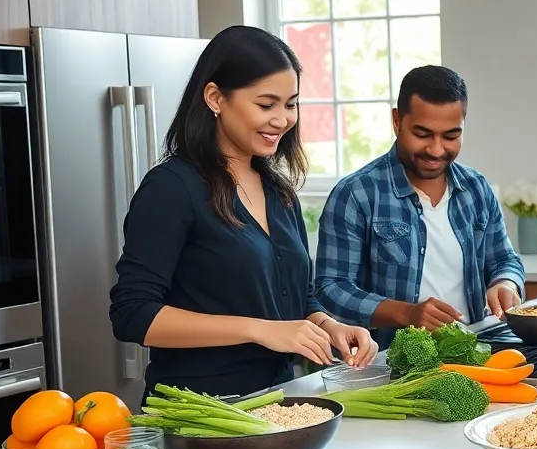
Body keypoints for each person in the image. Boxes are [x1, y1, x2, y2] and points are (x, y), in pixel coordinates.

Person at [110, 26, 377, 403]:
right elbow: (132, 314)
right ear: (216, 98)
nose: (283, 120)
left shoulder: (279, 193)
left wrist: (329, 326)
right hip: (199, 414)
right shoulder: (172, 187)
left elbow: (299, 298)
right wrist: (259, 329)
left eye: (291, 104)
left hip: (278, 403)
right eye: (266, 105)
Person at [315, 65, 524, 349]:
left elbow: (505, 260)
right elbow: (331, 287)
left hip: (476, 352)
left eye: (450, 136)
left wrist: (506, 283)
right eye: (423, 134)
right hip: (391, 362)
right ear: (397, 121)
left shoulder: (476, 188)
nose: (437, 150)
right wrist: (406, 313)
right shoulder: (356, 194)